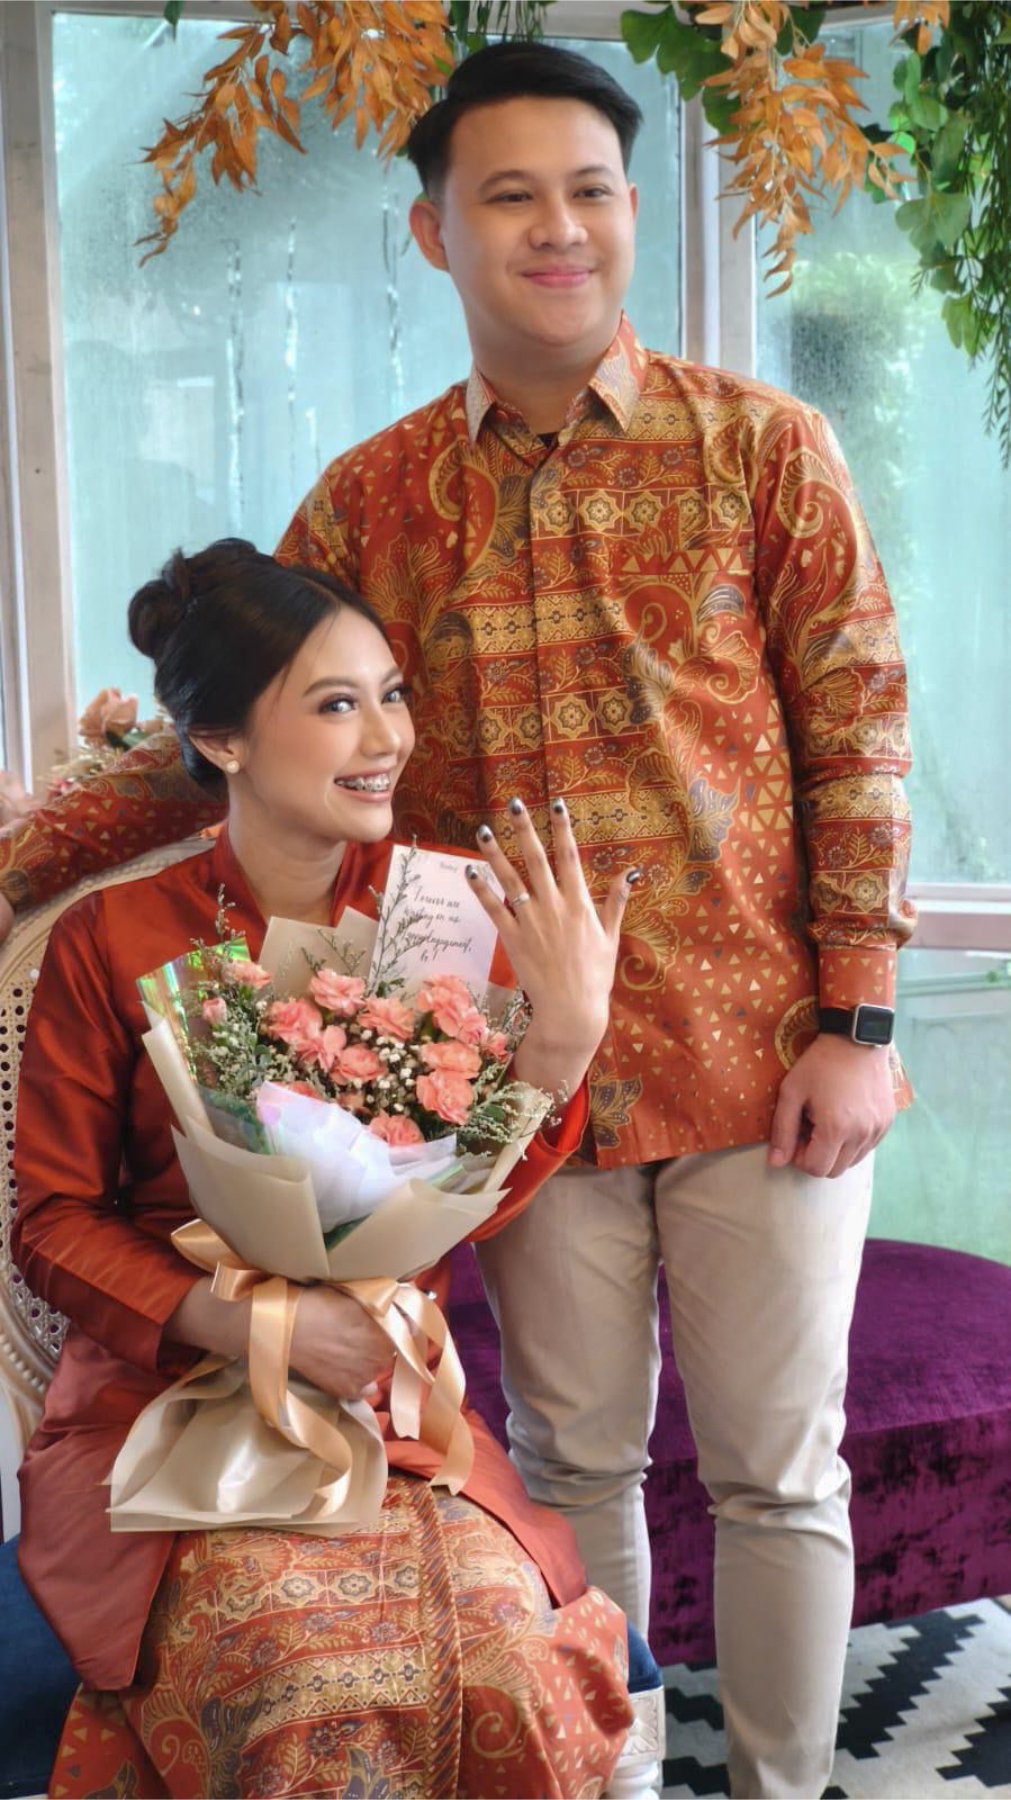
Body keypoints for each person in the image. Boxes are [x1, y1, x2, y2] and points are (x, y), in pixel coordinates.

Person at [0, 42, 916, 1799]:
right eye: (508, 197)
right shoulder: (373, 498)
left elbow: (858, 725)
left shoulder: (763, 451)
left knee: (777, 1472)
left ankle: (783, 1786)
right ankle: (605, 1777)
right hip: (497, 1082)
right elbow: (248, 709)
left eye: (589, 192)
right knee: (572, 1463)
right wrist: (40, 833)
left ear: (633, 213)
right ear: (434, 233)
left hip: (762, 1055)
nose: (556, 229)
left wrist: (857, 1018)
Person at [13, 540, 645, 1800]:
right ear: (222, 739)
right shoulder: (109, 937)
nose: (388, 737)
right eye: (338, 703)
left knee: (502, 1666)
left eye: (392, 694)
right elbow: (52, 1222)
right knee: (299, 1675)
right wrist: (263, 1328)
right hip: (162, 1413)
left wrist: (563, 1049)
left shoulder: (447, 917)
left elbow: (460, 1202)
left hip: (389, 1403)